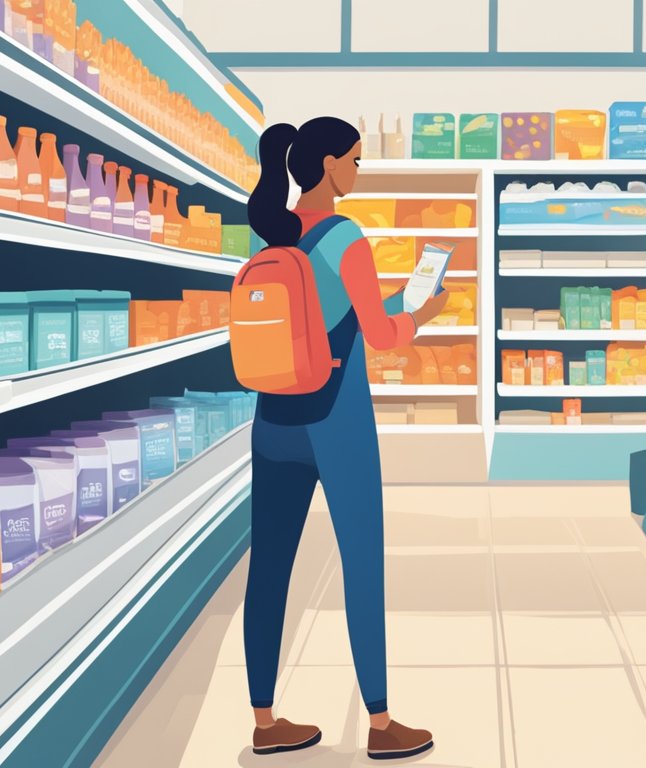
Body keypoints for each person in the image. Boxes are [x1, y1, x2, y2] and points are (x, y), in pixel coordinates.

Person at [242, 117, 448, 761]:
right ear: (329, 165)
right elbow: (379, 337)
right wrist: (421, 312)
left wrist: (385, 305)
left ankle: (264, 719)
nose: (358, 171)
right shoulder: (345, 234)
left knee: (269, 567)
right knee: (362, 564)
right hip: (337, 422)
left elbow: (331, 311)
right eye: (355, 161)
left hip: (273, 419)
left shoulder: (269, 233)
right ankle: (382, 725)